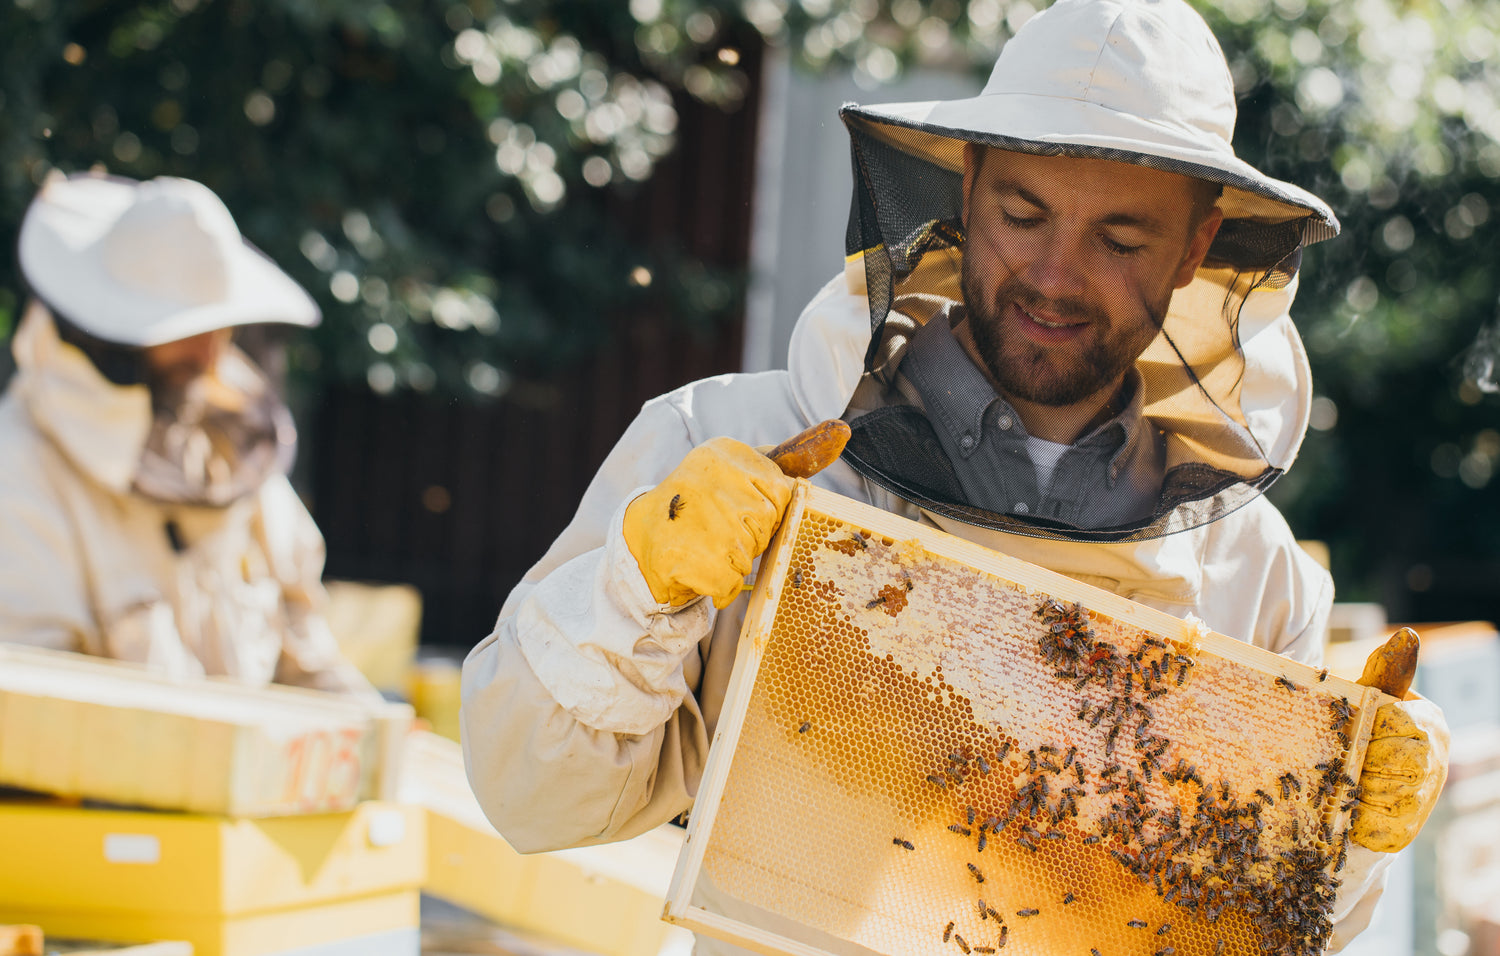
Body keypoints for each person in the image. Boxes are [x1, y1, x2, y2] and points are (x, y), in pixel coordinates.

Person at [461, 0, 1448, 950]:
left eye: (1119, 240)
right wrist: (638, 585)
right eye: (1023, 213)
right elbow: (532, 799)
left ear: (1197, 247)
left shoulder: (1258, 579)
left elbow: (1259, 927)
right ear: (967, 188)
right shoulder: (727, 449)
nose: (1055, 275)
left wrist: (1354, 836)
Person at [0, 172, 376, 698]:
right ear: (106, 335)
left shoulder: (227, 451)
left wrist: (374, 724)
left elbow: (304, 648)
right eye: (182, 330)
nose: (210, 354)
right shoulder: (19, 472)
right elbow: (33, 708)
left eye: (218, 324)